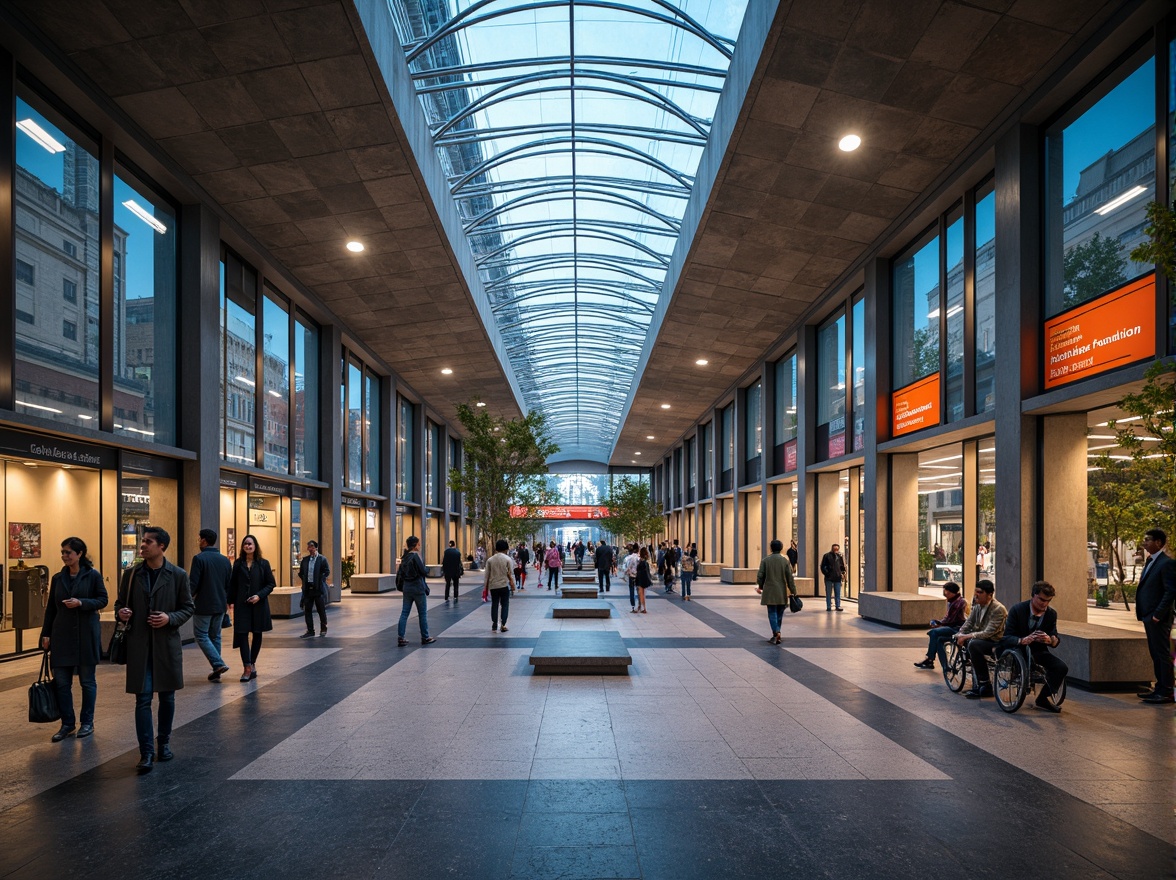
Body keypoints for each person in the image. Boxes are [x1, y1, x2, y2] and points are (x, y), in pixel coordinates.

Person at [114, 526, 193, 774]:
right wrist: (121, 612)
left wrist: (170, 618)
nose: (143, 545)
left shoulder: (178, 575)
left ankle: (165, 743)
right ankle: (146, 752)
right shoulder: (131, 574)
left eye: (148, 541)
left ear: (162, 547)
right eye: (142, 541)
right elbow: (120, 603)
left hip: (166, 645)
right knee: (143, 699)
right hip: (139, 645)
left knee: (167, 698)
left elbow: (188, 607)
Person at [40, 537, 107, 742]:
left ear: (79, 554)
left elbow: (102, 600)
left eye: (68, 552)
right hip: (62, 635)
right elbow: (51, 608)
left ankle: (87, 722)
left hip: (86, 634)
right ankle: (67, 723)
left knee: (87, 682)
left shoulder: (92, 576)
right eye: (62, 552)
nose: (64, 556)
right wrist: (46, 634)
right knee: (61, 683)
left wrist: (81, 602)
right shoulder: (59, 578)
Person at [1001, 581, 1067, 713]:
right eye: (1041, 600)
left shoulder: (1051, 614)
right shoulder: (1018, 610)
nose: (1044, 604)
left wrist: (1050, 640)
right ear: (1033, 595)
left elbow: (1054, 634)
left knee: (1061, 667)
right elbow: (1006, 637)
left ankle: (1043, 698)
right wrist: (1022, 640)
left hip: (1039, 650)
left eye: (1048, 601)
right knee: (1026, 659)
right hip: (1018, 649)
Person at [1135, 528, 1176, 704]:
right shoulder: (1152, 561)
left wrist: (1158, 614)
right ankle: (1159, 687)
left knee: (1162, 653)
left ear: (1158, 542)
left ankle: (1166, 691)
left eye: (1147, 540)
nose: (1144, 543)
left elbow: (1171, 591)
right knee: (1155, 653)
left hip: (1158, 617)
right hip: (1148, 615)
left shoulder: (1167, 563)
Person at [229, 534, 275, 683]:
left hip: (259, 605)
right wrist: (230, 602)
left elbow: (270, 584)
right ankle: (247, 667)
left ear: (255, 546)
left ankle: (252, 662)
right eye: (245, 544)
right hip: (242, 605)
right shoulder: (238, 564)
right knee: (242, 635)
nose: (248, 546)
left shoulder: (263, 564)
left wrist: (259, 596)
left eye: (250, 544)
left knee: (257, 634)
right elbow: (233, 585)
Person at [189, 528, 233, 680]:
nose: (198, 542)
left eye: (199, 539)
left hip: (203, 605)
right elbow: (229, 584)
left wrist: (185, 600)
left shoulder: (199, 559)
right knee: (215, 636)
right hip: (220, 605)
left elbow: (193, 584)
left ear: (204, 540)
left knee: (201, 635)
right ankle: (217, 668)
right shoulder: (225, 560)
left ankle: (217, 663)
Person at [954, 579, 1007, 699]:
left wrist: (967, 636)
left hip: (995, 642)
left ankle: (985, 684)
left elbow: (988, 633)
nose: (976, 594)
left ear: (989, 594)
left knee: (974, 644)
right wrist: (961, 633)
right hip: (981, 639)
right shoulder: (978, 605)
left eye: (980, 592)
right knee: (968, 641)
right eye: (976, 591)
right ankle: (976, 681)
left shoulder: (998, 609)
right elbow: (969, 622)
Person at [914, 582, 967, 670]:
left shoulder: (959, 602)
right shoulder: (953, 601)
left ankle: (930, 659)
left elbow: (951, 620)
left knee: (933, 632)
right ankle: (939, 664)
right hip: (953, 627)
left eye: (945, 590)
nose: (944, 593)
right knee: (938, 639)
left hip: (957, 629)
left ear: (949, 592)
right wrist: (939, 622)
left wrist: (939, 624)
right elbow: (948, 618)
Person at [756, 539, 798, 644]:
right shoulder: (785, 561)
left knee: (772, 612)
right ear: (781, 548)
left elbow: (760, 576)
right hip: (781, 590)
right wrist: (793, 590)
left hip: (769, 590)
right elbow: (790, 578)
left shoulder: (765, 560)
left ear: (771, 548)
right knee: (780, 612)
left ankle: (776, 632)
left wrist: (760, 586)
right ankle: (778, 630)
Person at [396, 536, 434, 647]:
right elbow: (423, 571)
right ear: (414, 545)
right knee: (422, 614)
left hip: (407, 588)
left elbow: (401, 574)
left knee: (404, 613)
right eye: (418, 544)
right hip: (418, 588)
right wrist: (427, 569)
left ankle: (401, 637)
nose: (420, 546)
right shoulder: (415, 556)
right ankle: (425, 637)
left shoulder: (405, 557)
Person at [297, 540, 330, 638]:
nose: (310, 549)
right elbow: (301, 572)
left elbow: (327, 571)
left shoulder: (322, 559)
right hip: (308, 589)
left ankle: (323, 628)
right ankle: (310, 630)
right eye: (308, 547)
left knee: (321, 609)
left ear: (316, 548)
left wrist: (320, 579)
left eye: (311, 547)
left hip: (318, 589)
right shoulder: (305, 560)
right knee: (307, 610)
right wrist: (304, 581)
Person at [483, 539, 515, 632]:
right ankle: (503, 624)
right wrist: (512, 585)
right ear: (506, 549)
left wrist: (486, 588)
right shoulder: (507, 559)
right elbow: (511, 573)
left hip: (493, 586)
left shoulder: (490, 560)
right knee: (505, 605)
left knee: (494, 604)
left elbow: (486, 575)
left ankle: (494, 625)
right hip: (504, 585)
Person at [819, 542, 847, 612]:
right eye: (835, 549)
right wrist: (827, 573)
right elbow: (823, 566)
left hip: (837, 577)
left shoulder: (840, 557)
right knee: (829, 593)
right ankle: (829, 606)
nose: (836, 550)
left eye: (837, 549)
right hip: (829, 577)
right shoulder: (826, 556)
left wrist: (843, 573)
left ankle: (838, 605)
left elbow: (842, 566)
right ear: (832, 548)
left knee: (837, 592)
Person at [623, 543, 641, 612]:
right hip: (638, 576)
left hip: (631, 576)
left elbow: (626, 567)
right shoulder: (639, 558)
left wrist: (625, 573)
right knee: (639, 590)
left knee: (631, 590)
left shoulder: (629, 557)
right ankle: (639, 605)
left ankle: (633, 606)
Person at [634, 547, 652, 613]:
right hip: (645, 579)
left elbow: (637, 570)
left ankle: (642, 607)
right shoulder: (646, 562)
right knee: (643, 594)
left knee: (641, 594)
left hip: (640, 578)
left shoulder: (640, 561)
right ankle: (642, 607)